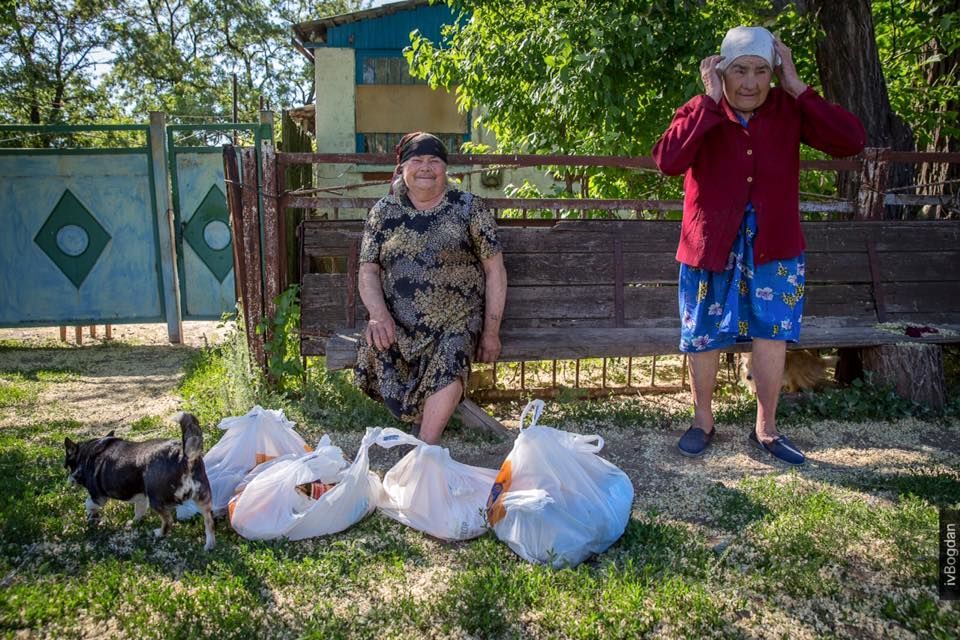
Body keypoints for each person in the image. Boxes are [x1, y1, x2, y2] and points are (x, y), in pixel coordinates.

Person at [651, 26, 866, 464]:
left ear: (775, 71)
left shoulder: (789, 108)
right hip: (711, 244)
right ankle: (702, 421)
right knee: (703, 335)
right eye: (740, 71)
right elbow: (668, 161)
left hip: (774, 244)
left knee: (773, 332)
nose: (750, 83)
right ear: (721, 71)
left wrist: (798, 87)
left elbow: (851, 140)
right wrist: (709, 103)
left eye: (761, 71)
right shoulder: (700, 110)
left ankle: (766, 429)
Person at [355, 132, 507, 444]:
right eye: (417, 160)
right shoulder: (384, 211)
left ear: (445, 169)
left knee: (452, 352)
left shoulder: (468, 207)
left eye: (434, 160)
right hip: (398, 320)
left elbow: (495, 270)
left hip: (457, 319)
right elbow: (368, 269)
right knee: (379, 342)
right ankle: (421, 421)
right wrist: (378, 314)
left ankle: (424, 447)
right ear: (402, 168)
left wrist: (491, 332)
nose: (426, 167)